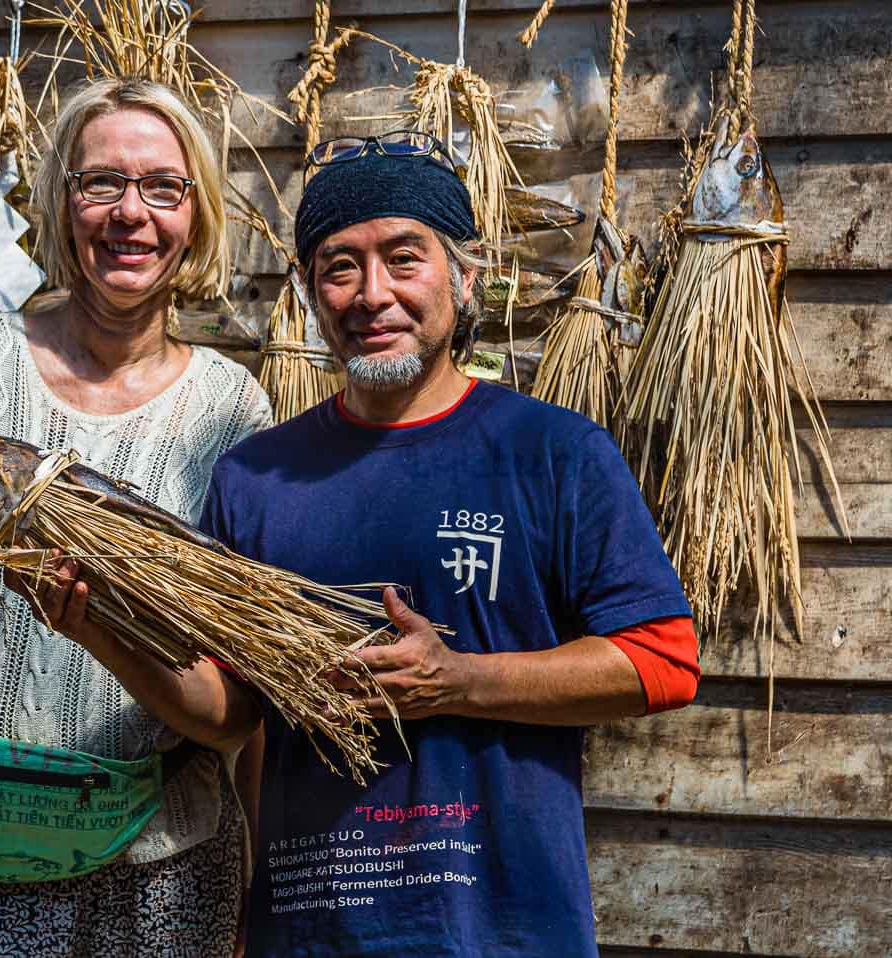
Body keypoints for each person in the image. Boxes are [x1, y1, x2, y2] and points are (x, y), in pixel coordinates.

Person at [196, 131, 701, 955]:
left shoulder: (553, 454)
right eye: (340, 266)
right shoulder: (254, 480)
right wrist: (94, 624)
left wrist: (459, 681)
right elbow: (233, 714)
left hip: (503, 930)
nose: (372, 294)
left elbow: (664, 661)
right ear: (309, 291)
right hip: (312, 929)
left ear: (465, 278)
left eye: (404, 258)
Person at [0, 77, 269, 957]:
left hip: (162, 869)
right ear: (63, 204)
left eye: (161, 187)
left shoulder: (232, 410)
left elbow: (235, 702)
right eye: (100, 182)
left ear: (197, 213)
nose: (128, 213)